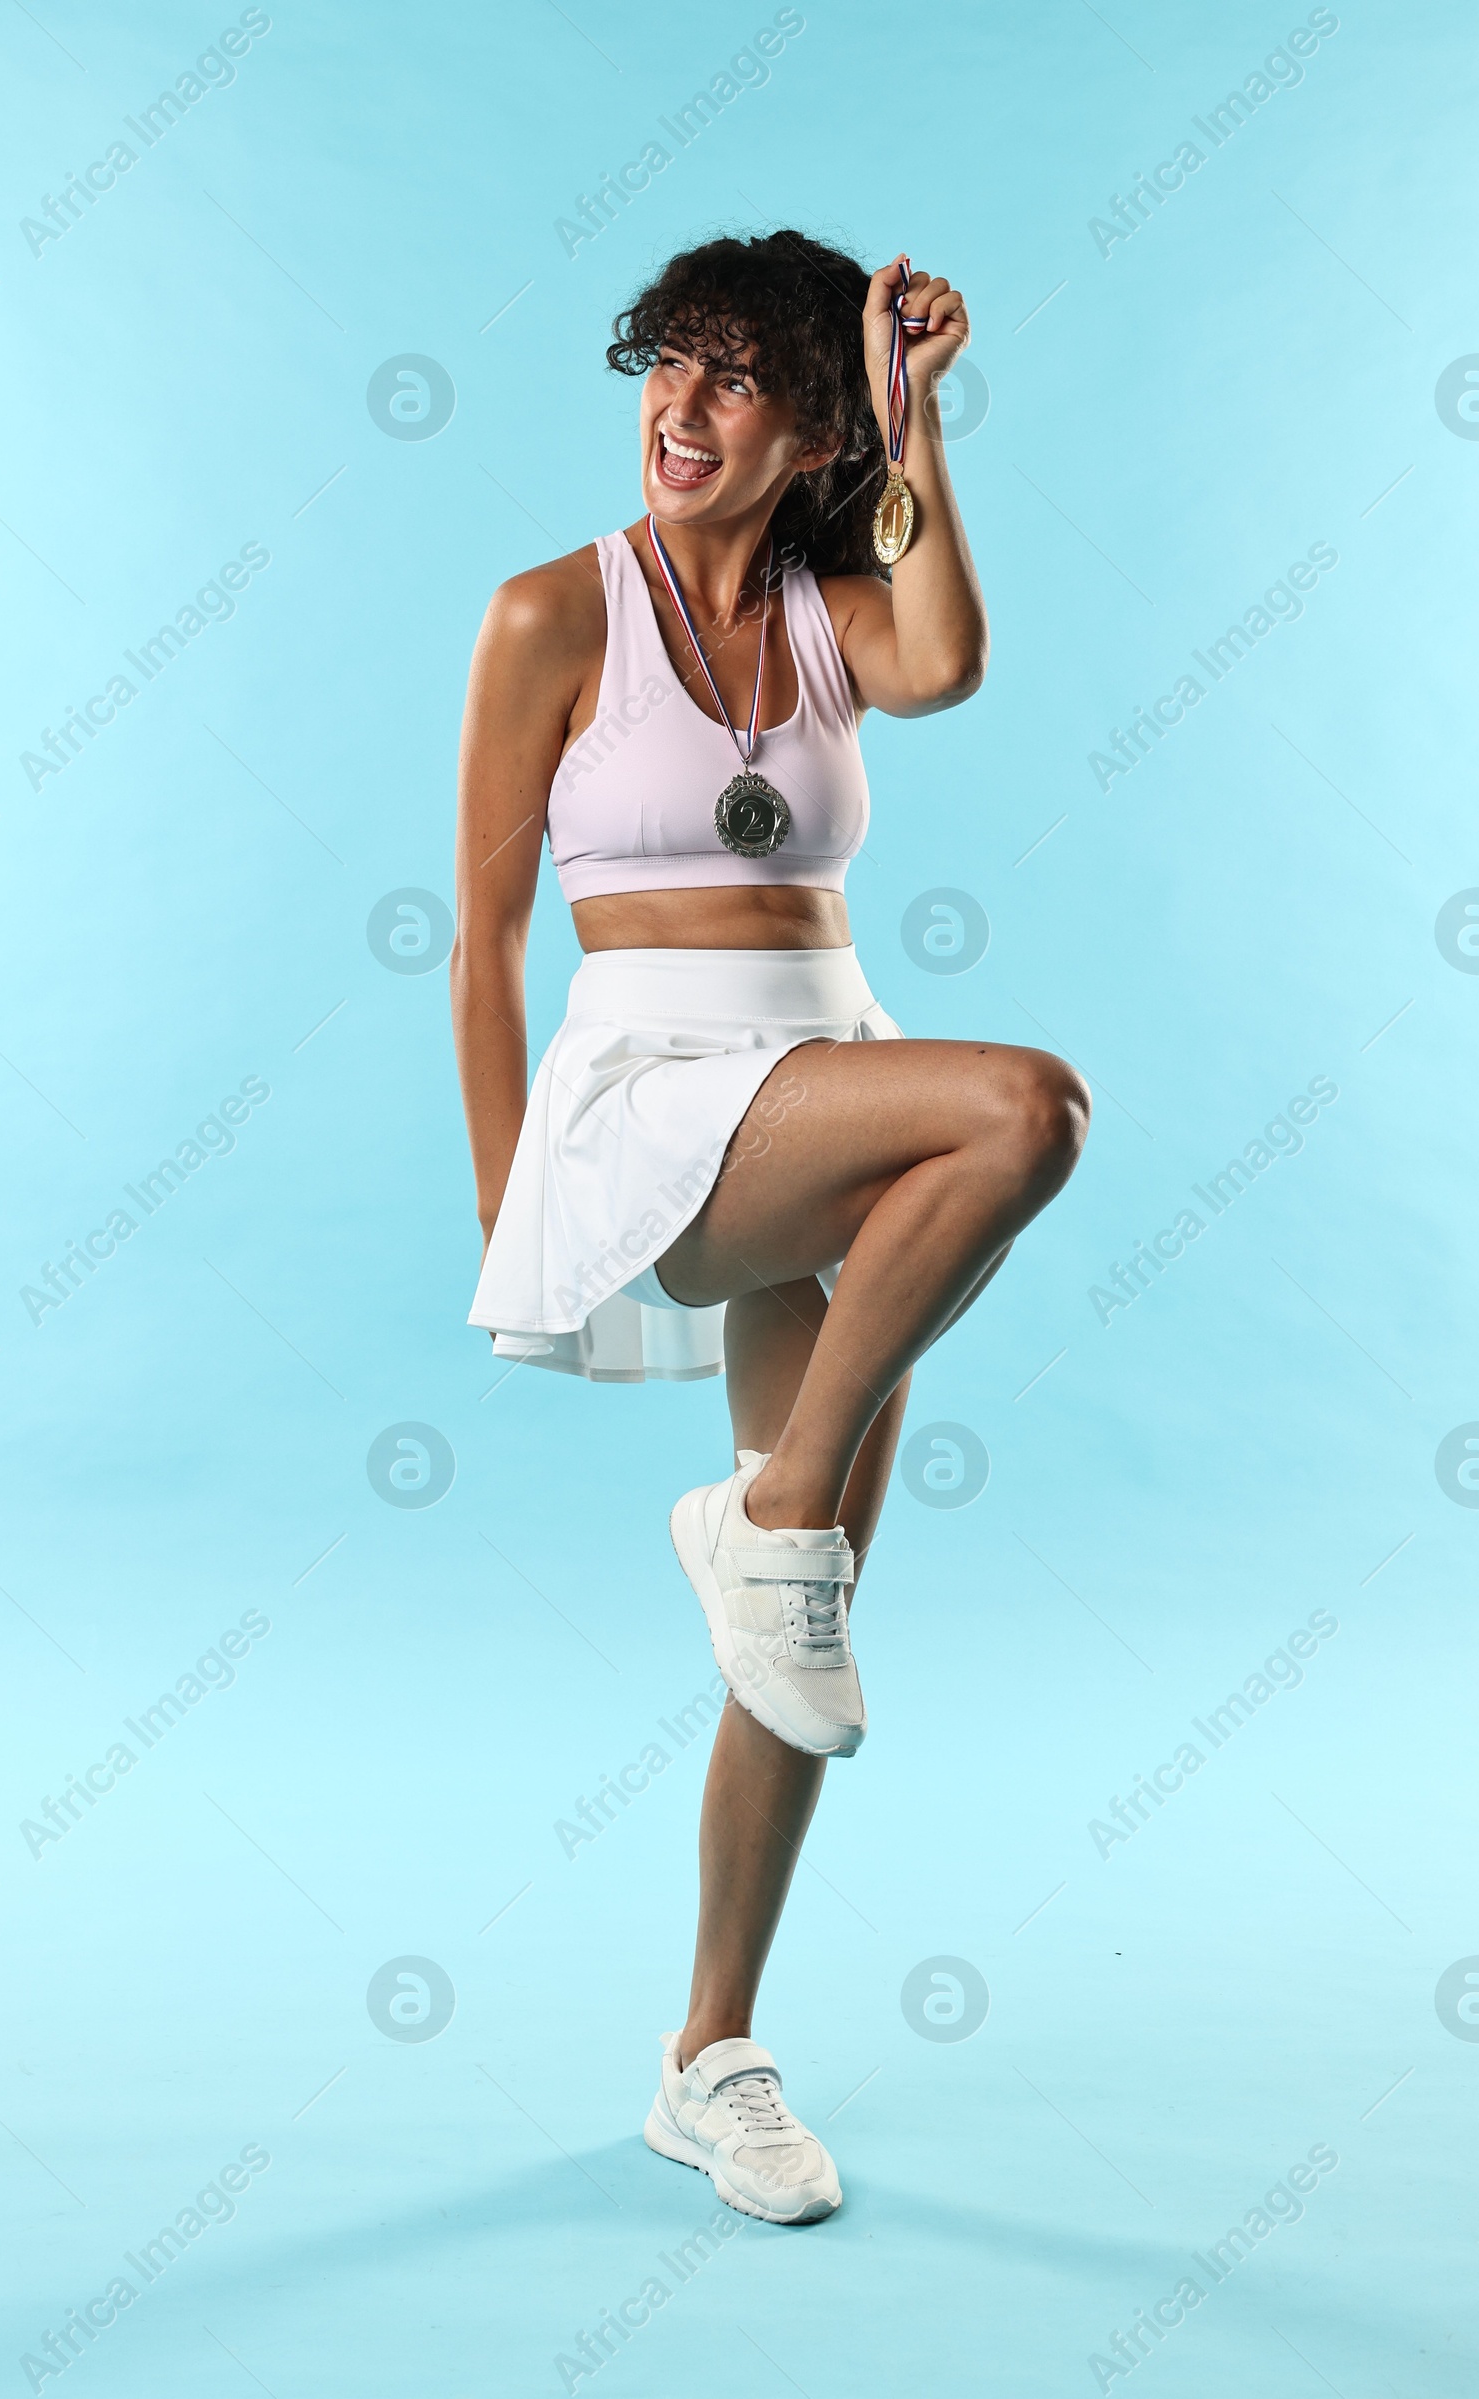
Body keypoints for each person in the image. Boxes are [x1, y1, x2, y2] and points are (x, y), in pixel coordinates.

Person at [452, 229, 1089, 2223]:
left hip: (828, 1086)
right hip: (658, 1107)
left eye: (737, 381)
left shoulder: (833, 610)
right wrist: (511, 1205)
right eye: (668, 368)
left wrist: (922, 426)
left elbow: (947, 662)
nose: (682, 410)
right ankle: (772, 1505)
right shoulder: (552, 614)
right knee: (1022, 1107)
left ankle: (707, 2052)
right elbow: (475, 935)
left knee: (791, 1638)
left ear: (808, 423)